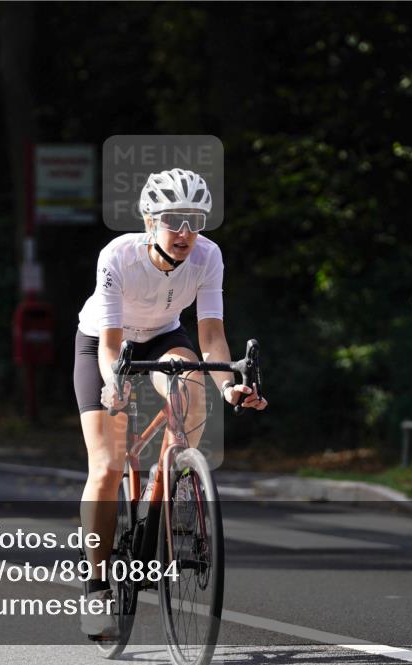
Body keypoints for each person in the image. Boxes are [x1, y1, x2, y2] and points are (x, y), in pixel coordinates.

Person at [73, 167, 267, 639]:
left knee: (193, 391)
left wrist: (227, 385)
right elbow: (110, 343)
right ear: (149, 220)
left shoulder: (208, 256)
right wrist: (113, 384)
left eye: (195, 220)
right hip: (104, 340)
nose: (185, 232)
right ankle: (97, 586)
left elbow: (212, 335)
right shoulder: (117, 256)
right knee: (105, 465)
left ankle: (179, 479)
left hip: (164, 337)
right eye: (174, 219)